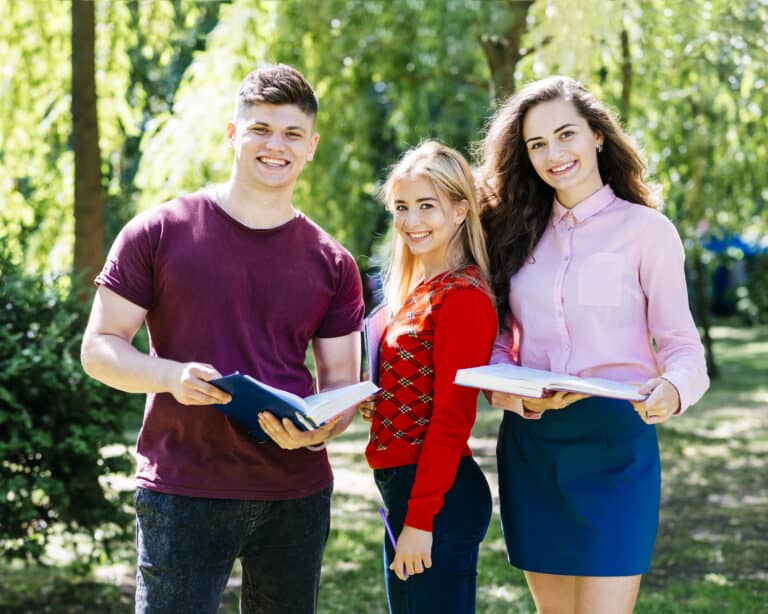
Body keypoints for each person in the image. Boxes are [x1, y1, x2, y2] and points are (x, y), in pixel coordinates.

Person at [80, 64, 364, 614]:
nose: (274, 145)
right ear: (233, 134)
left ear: (311, 147)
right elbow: (100, 347)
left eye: (291, 134)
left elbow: (340, 383)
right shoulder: (158, 231)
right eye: (259, 128)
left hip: (296, 495)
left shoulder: (333, 261)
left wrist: (315, 432)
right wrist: (170, 378)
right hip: (182, 489)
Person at [477, 76, 709, 614]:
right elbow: (497, 346)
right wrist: (512, 394)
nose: (554, 154)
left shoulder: (647, 231)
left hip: (616, 443)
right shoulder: (512, 234)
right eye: (537, 144)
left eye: (566, 135)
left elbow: (684, 349)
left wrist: (670, 391)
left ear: (597, 135)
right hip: (532, 445)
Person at [359, 141, 498, 613]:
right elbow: (419, 386)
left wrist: (420, 520)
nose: (411, 221)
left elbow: (453, 416)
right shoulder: (418, 290)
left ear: (460, 211)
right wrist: (380, 400)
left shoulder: (462, 295)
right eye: (401, 207)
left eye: (426, 207)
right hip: (405, 490)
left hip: (435, 498)